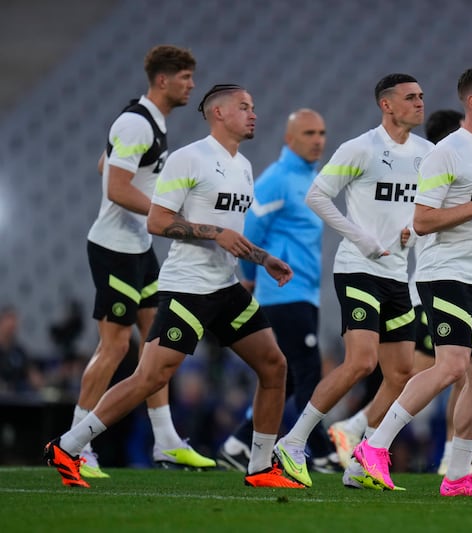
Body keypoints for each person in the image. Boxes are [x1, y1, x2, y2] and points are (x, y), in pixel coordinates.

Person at [44, 84, 304, 489]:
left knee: (275, 366)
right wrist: (212, 231)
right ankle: (69, 445)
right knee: (149, 378)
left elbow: (229, 234)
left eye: (253, 106)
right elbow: (158, 221)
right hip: (188, 288)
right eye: (244, 107)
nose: (253, 113)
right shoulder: (189, 159)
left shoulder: (244, 166)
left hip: (226, 285)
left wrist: (262, 258)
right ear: (218, 113)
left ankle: (259, 467)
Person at [352, 66, 472, 497]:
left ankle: (457, 476)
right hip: (444, 274)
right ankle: (372, 448)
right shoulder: (447, 152)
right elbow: (422, 221)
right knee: (451, 366)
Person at [327, 109, 472, 476]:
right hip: (433, 289)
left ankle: (450, 460)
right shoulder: (439, 162)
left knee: (465, 373)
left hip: (462, 282)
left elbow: (459, 224)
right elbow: (416, 229)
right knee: (435, 370)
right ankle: (364, 435)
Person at [271, 73, 432, 489]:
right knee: (362, 360)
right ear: (387, 105)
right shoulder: (360, 148)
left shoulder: (427, 153)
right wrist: (361, 238)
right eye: (410, 97)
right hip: (358, 268)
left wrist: (412, 232)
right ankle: (293, 442)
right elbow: (317, 196)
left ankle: (362, 460)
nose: (419, 103)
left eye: (421, 97)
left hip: (398, 273)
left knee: (400, 374)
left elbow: (426, 211)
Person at [75, 44, 214, 477]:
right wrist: (163, 212)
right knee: (115, 347)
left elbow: (106, 165)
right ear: (163, 80)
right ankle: (75, 444)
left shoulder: (146, 120)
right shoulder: (136, 122)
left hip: (138, 249)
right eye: (186, 78)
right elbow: (115, 187)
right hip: (114, 248)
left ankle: (167, 441)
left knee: (157, 347)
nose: (192, 85)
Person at [217, 108, 339, 473]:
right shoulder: (278, 179)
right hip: (283, 293)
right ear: (289, 139)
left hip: (303, 293)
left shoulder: (308, 179)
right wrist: (251, 276)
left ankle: (239, 444)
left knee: (284, 378)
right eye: (309, 133)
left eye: (321, 132)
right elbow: (249, 230)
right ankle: (318, 450)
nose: (318, 140)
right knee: (307, 374)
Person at [0, 305, 44, 397]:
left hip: (16, 400)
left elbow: (34, 378)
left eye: (14, 322)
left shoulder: (19, 351)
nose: (12, 325)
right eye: (9, 320)